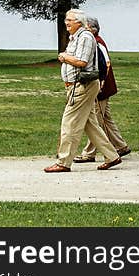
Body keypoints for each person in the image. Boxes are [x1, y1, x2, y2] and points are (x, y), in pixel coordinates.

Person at [44, 9, 122, 172]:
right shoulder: (76, 38)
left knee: (69, 122)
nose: (66, 22)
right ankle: (112, 156)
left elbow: (81, 61)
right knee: (90, 124)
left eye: (70, 20)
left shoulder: (85, 37)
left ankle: (63, 162)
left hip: (82, 86)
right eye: (66, 19)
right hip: (76, 86)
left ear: (79, 22)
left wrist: (64, 57)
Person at [73, 16, 131, 162]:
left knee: (95, 120)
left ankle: (89, 153)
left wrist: (101, 83)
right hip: (102, 86)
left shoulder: (97, 43)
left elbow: (106, 64)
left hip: (101, 88)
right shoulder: (93, 42)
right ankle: (121, 146)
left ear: (93, 29)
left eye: (85, 27)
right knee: (106, 119)